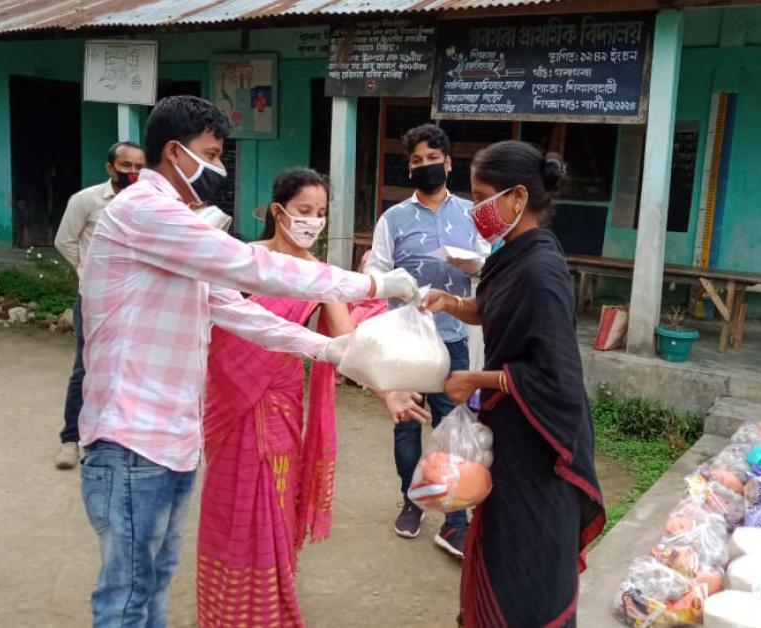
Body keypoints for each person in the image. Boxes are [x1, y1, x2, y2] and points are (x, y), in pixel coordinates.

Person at [76, 95, 420, 627]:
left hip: (172, 438)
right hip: (131, 439)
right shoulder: (148, 212)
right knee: (128, 597)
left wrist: (324, 348)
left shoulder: (176, 233)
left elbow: (232, 310)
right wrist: (372, 281)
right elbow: (251, 270)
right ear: (174, 151)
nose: (219, 168)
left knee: (152, 585)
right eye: (212, 154)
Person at [196, 168, 429, 627]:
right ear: (278, 210)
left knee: (270, 504)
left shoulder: (321, 278)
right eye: (304, 211)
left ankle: (265, 607)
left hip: (278, 406)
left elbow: (349, 345)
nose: (313, 221)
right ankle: (222, 607)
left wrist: (388, 392)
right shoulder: (242, 261)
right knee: (227, 504)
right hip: (225, 402)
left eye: (321, 213)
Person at [422, 140, 604, 627]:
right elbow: (497, 309)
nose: (476, 208)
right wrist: (451, 302)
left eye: (482, 196)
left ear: (517, 198)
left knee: (525, 555)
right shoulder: (511, 253)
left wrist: (475, 379)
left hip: (539, 443)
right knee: (498, 537)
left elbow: (555, 374)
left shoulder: (542, 269)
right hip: (510, 422)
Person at [366, 123, 489, 557]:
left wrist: (473, 267)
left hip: (453, 335)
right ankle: (413, 500)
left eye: (432, 160)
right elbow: (377, 274)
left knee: (452, 426)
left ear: (449, 163)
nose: (425, 167)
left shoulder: (473, 215)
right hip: (406, 339)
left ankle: (455, 519)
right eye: (416, 161)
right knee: (407, 425)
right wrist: (395, 288)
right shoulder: (393, 218)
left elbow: (487, 266)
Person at [52, 140, 145, 470]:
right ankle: (70, 439)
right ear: (110, 167)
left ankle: (116, 438)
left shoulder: (148, 201)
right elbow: (64, 241)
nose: (133, 172)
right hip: (95, 301)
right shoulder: (87, 200)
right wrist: (89, 270)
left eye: (138, 166)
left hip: (135, 299)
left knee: (130, 367)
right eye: (126, 166)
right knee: (87, 367)